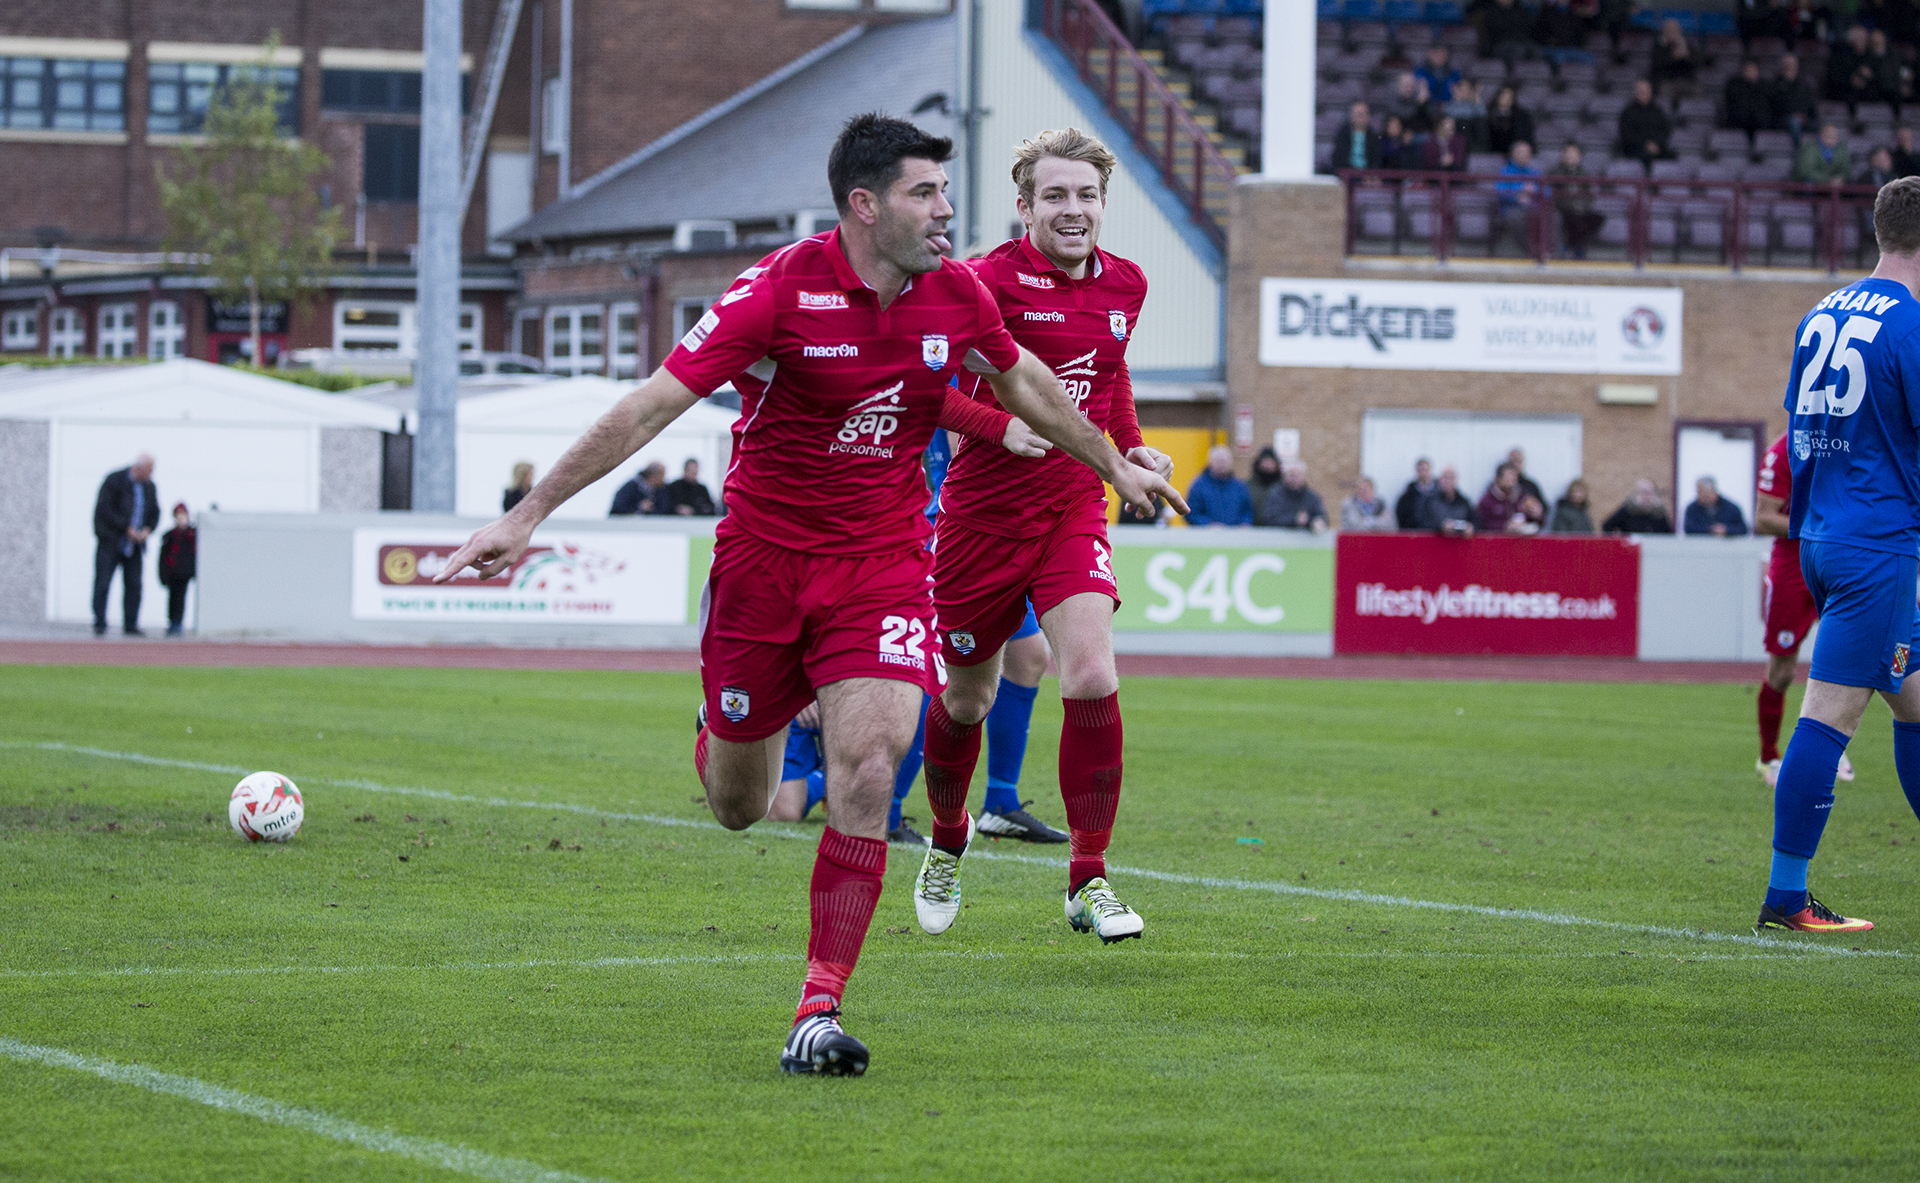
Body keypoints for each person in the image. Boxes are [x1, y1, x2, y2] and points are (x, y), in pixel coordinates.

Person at [431, 113, 1182, 1076]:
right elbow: (651, 404)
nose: (947, 211)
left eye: (947, 194)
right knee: (737, 803)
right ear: (866, 206)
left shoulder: (956, 293)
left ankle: (818, 1005)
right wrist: (528, 512)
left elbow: (1028, 380)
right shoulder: (776, 291)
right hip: (764, 566)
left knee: (869, 767)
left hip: (881, 564)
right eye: (926, 193)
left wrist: (1114, 462)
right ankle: (723, 725)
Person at [919, 127, 1182, 948]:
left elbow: (1108, 376)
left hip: (1071, 506)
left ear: (1104, 204)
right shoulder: (979, 283)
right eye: (1056, 196)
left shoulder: (1129, 284)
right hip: (979, 520)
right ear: (1025, 206)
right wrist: (997, 427)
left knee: (1093, 673)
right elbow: (922, 389)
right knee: (967, 698)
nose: (1074, 210)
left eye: (1087, 196)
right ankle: (951, 834)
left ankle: (1088, 877)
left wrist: (1130, 444)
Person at [1752, 175, 1920, 936]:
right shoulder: (1911, 323)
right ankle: (1787, 896)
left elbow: (1799, 434)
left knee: (1915, 705)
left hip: (1822, 535)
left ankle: (1789, 892)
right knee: (1828, 717)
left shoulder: (1823, 310)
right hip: (1876, 545)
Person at [1752, 430, 1854, 788]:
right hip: (1794, 569)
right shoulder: (1781, 452)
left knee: (1846, 662)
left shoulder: (1847, 442)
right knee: (1782, 670)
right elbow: (1763, 518)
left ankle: (1827, 747)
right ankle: (1769, 758)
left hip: (1838, 563)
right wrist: (1821, 528)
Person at [91, 453, 158, 637]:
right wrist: (125, 528)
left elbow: (154, 512)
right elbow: (105, 509)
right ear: (140, 467)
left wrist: (147, 530)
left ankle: (131, 624)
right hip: (111, 543)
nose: (151, 474)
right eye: (150, 470)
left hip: (135, 546)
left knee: (134, 584)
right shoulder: (114, 480)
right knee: (103, 582)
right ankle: (100, 623)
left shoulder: (149, 487)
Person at [1548, 142, 1604, 258]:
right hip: (1564, 208)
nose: (1571, 157)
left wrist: (1584, 207)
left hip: (1582, 209)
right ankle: (1577, 249)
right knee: (1574, 221)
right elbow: (1552, 190)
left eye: (1574, 155)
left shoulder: (1584, 173)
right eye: (1568, 154)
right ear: (1563, 156)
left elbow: (1590, 194)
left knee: (1597, 218)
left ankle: (1571, 245)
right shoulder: (1555, 171)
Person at [1185, 445, 1254, 526]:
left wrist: (1245, 523)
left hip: (1235, 535)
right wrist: (1208, 524)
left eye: (1225, 461)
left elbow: (1247, 511)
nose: (1222, 464)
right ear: (1210, 462)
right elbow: (1191, 513)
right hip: (1207, 536)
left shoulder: (1240, 487)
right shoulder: (1198, 486)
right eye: (1219, 461)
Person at [1494, 141, 1542, 255]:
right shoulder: (1505, 171)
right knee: (1516, 218)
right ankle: (1530, 251)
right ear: (1513, 154)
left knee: (1553, 216)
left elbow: (1547, 192)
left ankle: (1551, 253)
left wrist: (1534, 191)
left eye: (1527, 153)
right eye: (1521, 152)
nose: (1525, 155)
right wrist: (1518, 195)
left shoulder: (1535, 173)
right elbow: (1501, 192)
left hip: (1534, 207)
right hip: (1513, 208)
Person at [1618, 78, 1674, 172]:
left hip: (1656, 147)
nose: (1644, 93)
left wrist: (1656, 144)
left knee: (1672, 157)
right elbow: (1626, 134)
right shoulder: (1628, 112)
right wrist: (1645, 145)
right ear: (1636, 92)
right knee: (1646, 157)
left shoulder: (1657, 111)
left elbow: (1665, 130)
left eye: (1646, 91)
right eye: (1641, 91)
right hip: (1634, 149)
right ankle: (1648, 184)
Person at [157, 502, 195, 637]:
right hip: (172, 574)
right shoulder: (169, 536)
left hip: (185, 574)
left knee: (181, 598)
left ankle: (178, 622)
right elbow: (163, 558)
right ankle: (172, 622)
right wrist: (162, 575)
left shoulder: (192, 535)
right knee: (172, 599)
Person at [1262, 461, 1330, 531]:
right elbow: (1269, 519)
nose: (1294, 478)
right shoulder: (1275, 495)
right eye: (1291, 475)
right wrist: (1294, 520)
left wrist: (1314, 522)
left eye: (1297, 475)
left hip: (1306, 540)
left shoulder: (1312, 496)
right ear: (1285, 476)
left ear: (1303, 476)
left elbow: (1322, 517)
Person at [1724, 58, 1774, 152]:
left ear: (1758, 71)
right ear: (1743, 71)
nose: (1750, 72)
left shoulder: (1765, 86)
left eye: (1753, 69)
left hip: (1760, 123)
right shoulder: (1735, 85)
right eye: (1748, 70)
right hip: (1739, 122)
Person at [1770, 53, 1819, 146]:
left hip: (1803, 118)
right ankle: (1797, 152)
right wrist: (1793, 115)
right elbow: (1777, 105)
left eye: (1792, 64)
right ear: (1782, 66)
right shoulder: (1776, 84)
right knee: (1795, 123)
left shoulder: (1803, 84)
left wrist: (1806, 116)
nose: (1790, 67)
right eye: (1787, 64)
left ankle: (1816, 154)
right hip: (1783, 119)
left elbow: (1810, 104)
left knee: (1818, 125)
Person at [1476, 463, 1536, 533]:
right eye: (1508, 478)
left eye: (1514, 478)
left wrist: (1535, 514)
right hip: (1497, 541)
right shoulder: (1487, 501)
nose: (1511, 482)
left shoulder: (1522, 497)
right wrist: (1505, 526)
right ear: (1498, 479)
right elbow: (1481, 525)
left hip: (1521, 541)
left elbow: (1535, 522)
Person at [1416, 465, 1475, 534]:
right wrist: (1441, 526)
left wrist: (1471, 527)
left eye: (1451, 478)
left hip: (1459, 543)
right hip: (1435, 543)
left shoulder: (1464, 502)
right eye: (1445, 477)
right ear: (1440, 479)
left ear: (1456, 480)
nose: (1448, 481)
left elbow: (1475, 522)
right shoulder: (1429, 501)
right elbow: (1422, 523)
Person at [1650, 18, 1699, 99]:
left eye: (1675, 30)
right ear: (1664, 32)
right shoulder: (1658, 47)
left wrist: (1686, 56)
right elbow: (1657, 65)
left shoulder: (1687, 46)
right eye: (1669, 30)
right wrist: (1673, 57)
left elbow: (1697, 63)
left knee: (1697, 90)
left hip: (1687, 81)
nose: (1672, 33)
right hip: (1666, 81)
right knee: (1665, 90)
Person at [1683, 476, 1750, 535]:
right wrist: (1711, 530)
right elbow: (1689, 528)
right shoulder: (1692, 509)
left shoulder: (1731, 508)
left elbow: (1743, 529)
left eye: (1701, 492)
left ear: (1711, 491)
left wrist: (1726, 530)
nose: (1698, 495)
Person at [1602, 478, 1675, 533]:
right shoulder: (1628, 510)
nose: (1646, 496)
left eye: (1649, 493)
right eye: (1643, 492)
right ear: (1637, 493)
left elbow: (1668, 535)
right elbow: (1607, 526)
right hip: (1632, 550)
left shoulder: (1659, 513)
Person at [1332, 101, 1384, 172]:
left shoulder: (1374, 137)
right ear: (1351, 115)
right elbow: (1339, 158)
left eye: (1363, 114)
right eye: (1358, 114)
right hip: (1346, 173)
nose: (1361, 117)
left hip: (1367, 175)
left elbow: (1376, 159)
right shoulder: (1343, 135)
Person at [1484, 86, 1536, 158]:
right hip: (1492, 152)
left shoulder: (1521, 117)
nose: (1506, 99)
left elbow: (1525, 136)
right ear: (1497, 97)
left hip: (1515, 153)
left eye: (1509, 97)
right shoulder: (1488, 115)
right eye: (1504, 96)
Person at [1481, 0, 1536, 66]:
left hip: (1521, 42)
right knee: (1518, 51)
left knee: (1536, 51)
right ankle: (1512, 74)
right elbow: (1494, 33)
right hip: (1501, 43)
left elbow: (1527, 28)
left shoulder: (1519, 11)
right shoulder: (1492, 12)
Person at [1395, 456, 1437, 528]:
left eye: (1426, 470)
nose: (1424, 473)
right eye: (1421, 470)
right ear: (1417, 471)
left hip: (1435, 534)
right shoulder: (1408, 496)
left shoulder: (1440, 494)